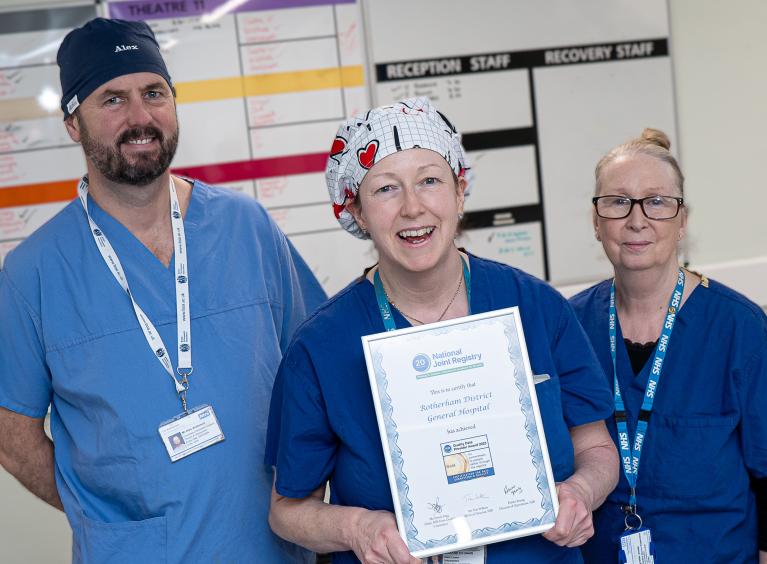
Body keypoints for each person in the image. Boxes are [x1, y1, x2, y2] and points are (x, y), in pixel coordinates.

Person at [0, 18, 325, 563]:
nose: (140, 117)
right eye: (112, 99)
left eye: (154, 93)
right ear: (74, 124)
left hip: (274, 548)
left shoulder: (248, 228)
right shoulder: (33, 273)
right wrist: (100, 515)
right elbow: (13, 435)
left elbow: (315, 369)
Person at [266, 97, 619, 563]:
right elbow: (287, 511)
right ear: (356, 211)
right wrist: (357, 528)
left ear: (459, 191)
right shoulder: (320, 347)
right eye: (387, 189)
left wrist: (580, 491)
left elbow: (596, 446)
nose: (413, 207)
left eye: (429, 180)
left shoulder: (536, 308)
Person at [569, 128, 767, 563]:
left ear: (682, 222)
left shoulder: (740, 328)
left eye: (657, 202)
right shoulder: (569, 327)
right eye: (618, 202)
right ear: (597, 222)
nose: (636, 220)